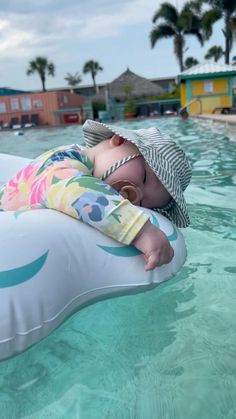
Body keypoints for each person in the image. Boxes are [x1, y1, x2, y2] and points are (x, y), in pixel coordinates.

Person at [0, 119, 192, 271]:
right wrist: (140, 229)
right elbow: (71, 187)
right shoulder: (64, 162)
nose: (133, 197)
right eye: (142, 177)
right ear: (119, 140)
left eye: (144, 204)